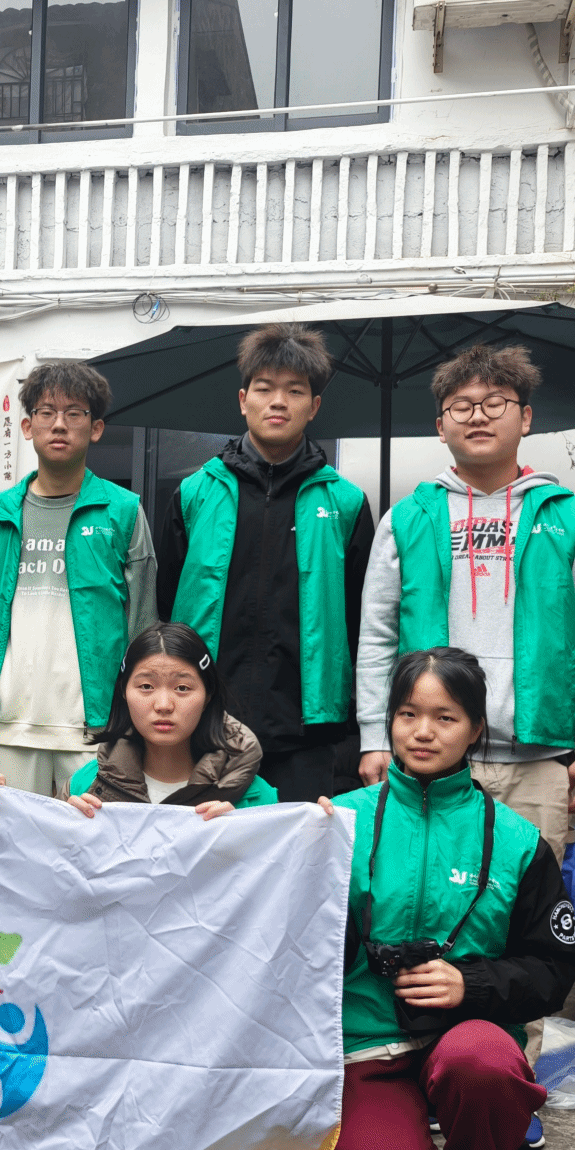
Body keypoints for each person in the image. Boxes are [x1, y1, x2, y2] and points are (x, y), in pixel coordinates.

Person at [323, 646, 575, 1150]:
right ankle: (403, 1131)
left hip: (466, 1035)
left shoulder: (518, 842)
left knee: (484, 1064)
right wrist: (232, 826)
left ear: (475, 729)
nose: (423, 731)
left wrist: (473, 982)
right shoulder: (339, 822)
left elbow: (555, 968)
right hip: (368, 1043)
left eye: (445, 717)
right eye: (408, 714)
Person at [355, 343, 575, 856]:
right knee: (426, 891)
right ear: (441, 426)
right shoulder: (406, 520)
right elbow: (377, 639)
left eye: (495, 403)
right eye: (461, 406)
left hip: (538, 763)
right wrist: (374, 738)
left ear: (526, 418)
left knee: (528, 896)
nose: (478, 416)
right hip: (429, 759)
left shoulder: (572, 518)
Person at [157, 323, 373, 805]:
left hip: (307, 729)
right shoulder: (196, 493)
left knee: (297, 848)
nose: (279, 402)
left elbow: (362, 621)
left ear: (314, 406)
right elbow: (166, 606)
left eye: (295, 391)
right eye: (265, 388)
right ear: (243, 400)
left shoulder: (345, 502)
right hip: (205, 722)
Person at [0, 360, 156, 797]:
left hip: (95, 725)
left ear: (96, 428)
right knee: (12, 836)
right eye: (46, 412)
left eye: (74, 413)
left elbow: (143, 624)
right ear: (27, 426)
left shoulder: (122, 511)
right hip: (9, 722)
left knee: (94, 836)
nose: (59, 424)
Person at [65, 622, 278, 816]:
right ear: (123, 692)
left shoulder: (257, 799)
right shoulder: (84, 786)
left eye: (182, 688)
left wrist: (243, 834)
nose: (164, 705)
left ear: (208, 695)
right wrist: (65, 825)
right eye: (146, 686)